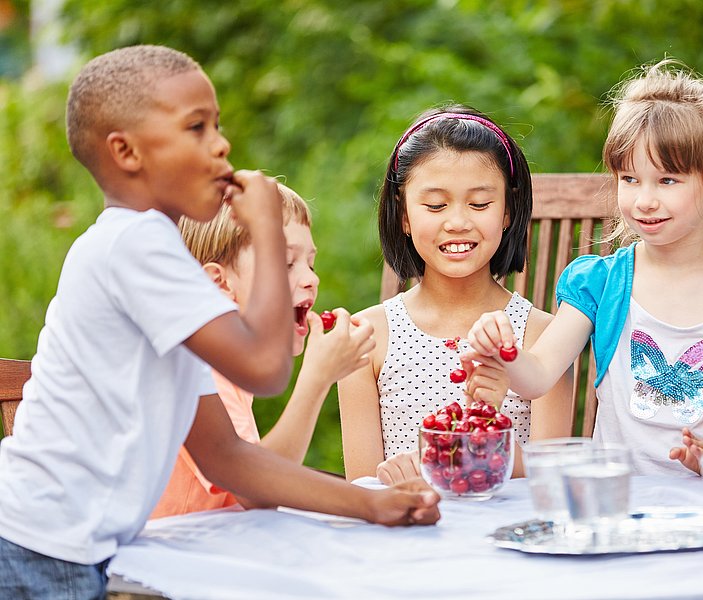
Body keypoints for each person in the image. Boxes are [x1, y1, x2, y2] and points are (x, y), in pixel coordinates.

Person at [0, 45, 438, 599]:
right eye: (196, 127)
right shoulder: (134, 245)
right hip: (37, 550)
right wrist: (266, 228)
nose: (222, 144)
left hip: (62, 547)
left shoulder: (160, 274)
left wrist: (369, 503)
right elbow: (265, 369)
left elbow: (226, 457)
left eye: (217, 126)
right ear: (126, 152)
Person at [466, 60, 703, 476]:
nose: (645, 200)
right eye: (629, 178)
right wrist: (503, 350)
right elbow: (539, 376)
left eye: (667, 180)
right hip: (619, 508)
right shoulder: (601, 284)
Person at [338, 104, 574, 484]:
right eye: (435, 205)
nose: (458, 222)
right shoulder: (365, 336)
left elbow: (552, 471)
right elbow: (363, 483)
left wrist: (472, 446)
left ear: (508, 211)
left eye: (480, 204)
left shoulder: (544, 337)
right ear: (404, 216)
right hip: (408, 534)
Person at [152, 183, 375, 517]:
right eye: (286, 264)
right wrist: (317, 379)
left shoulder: (229, 367)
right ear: (219, 284)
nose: (311, 279)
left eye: (310, 264)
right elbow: (260, 489)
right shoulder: (199, 365)